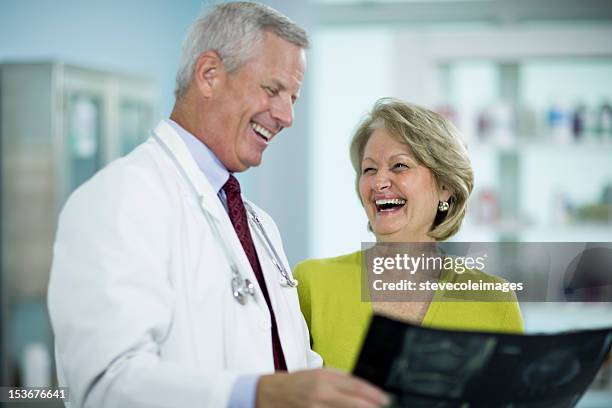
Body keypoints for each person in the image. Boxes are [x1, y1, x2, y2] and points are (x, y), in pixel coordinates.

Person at [47, 3, 388, 408]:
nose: (287, 116)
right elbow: (105, 385)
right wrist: (257, 395)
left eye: (293, 97)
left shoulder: (258, 224)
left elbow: (288, 360)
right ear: (209, 75)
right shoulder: (120, 197)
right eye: (273, 89)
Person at [294, 98, 524, 373]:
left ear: (445, 186)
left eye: (399, 166)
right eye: (369, 169)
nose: (379, 182)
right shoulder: (313, 284)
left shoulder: (494, 301)